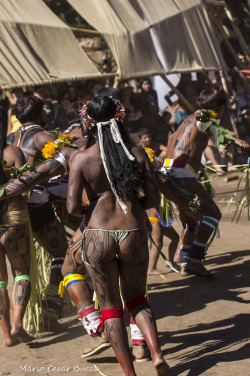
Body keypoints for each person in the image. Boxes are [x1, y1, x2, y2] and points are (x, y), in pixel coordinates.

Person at [66, 96, 171, 375]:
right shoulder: (137, 153)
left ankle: (129, 373)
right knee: (137, 298)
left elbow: (72, 207)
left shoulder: (81, 158)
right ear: (120, 118)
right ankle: (157, 353)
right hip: (134, 230)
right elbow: (152, 197)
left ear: (87, 122)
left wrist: (94, 206)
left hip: (98, 234)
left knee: (111, 308)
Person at [162, 89, 249, 277]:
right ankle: (194, 259)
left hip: (168, 173)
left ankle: (185, 260)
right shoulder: (204, 118)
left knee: (192, 218)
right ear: (219, 109)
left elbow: (172, 140)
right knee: (213, 214)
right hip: (181, 173)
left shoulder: (188, 120)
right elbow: (220, 137)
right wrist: (236, 141)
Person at [7, 95, 68, 320]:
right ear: (42, 114)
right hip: (36, 204)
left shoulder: (8, 138)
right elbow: (66, 162)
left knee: (19, 269)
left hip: (11, 206)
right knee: (62, 254)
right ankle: (52, 306)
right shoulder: (45, 137)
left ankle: (18, 321)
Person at [0, 126, 34, 346]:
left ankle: (7, 336)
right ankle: (17, 323)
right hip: (13, 217)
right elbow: (25, 190)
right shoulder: (12, 152)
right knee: (21, 273)